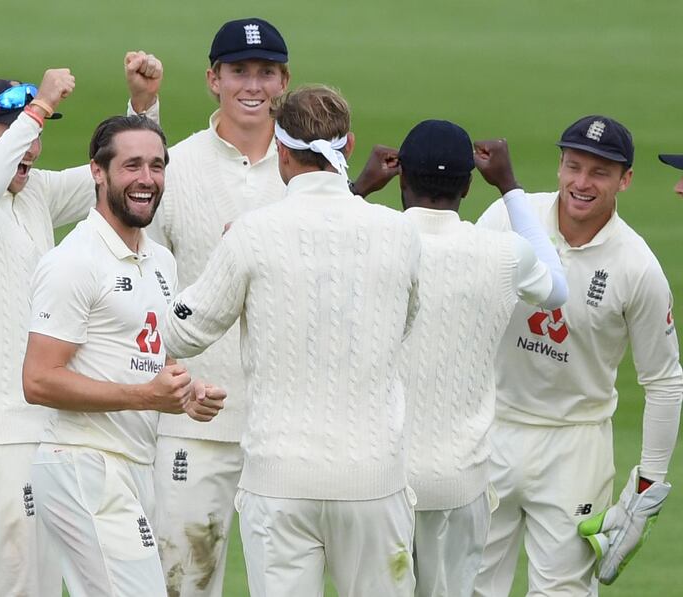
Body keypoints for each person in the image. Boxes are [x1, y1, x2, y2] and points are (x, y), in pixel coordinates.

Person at [163, 84, 422, 596]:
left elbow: (181, 332)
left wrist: (221, 257)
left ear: (281, 151)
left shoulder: (252, 232)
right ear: (348, 147)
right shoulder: (400, 231)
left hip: (280, 483)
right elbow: (404, 323)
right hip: (373, 480)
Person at [0, 57, 161, 597]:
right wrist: (43, 105)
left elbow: (118, 178)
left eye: (35, 133)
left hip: (47, 433)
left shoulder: (32, 195)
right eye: (13, 130)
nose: (31, 143)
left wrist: (141, 109)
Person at [472, 115, 683, 595]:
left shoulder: (638, 267)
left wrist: (648, 484)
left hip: (575, 446)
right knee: (470, 586)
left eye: (600, 173)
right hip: (491, 431)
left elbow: (664, 380)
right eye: (573, 166)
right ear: (560, 166)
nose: (581, 183)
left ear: (625, 180)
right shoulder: (508, 218)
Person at [22, 115, 227, 596]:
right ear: (98, 171)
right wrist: (145, 396)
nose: (147, 179)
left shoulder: (160, 261)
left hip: (132, 464)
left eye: (157, 166)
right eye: (131, 165)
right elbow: (38, 380)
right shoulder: (74, 262)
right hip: (81, 463)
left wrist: (185, 390)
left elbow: (148, 356)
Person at [131, 17, 291, 597]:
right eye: (239, 71)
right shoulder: (178, 166)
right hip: (192, 420)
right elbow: (147, 284)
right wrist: (171, 381)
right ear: (212, 79)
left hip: (284, 424)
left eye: (266, 72)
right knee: (182, 585)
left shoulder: (309, 171)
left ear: (285, 81)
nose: (253, 85)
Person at [388, 121, 568, 597]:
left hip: (381, 482)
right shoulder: (504, 253)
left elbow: (308, 235)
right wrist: (511, 189)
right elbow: (557, 286)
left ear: (400, 176)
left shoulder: (373, 239)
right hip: (460, 482)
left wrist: (360, 188)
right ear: (470, 184)